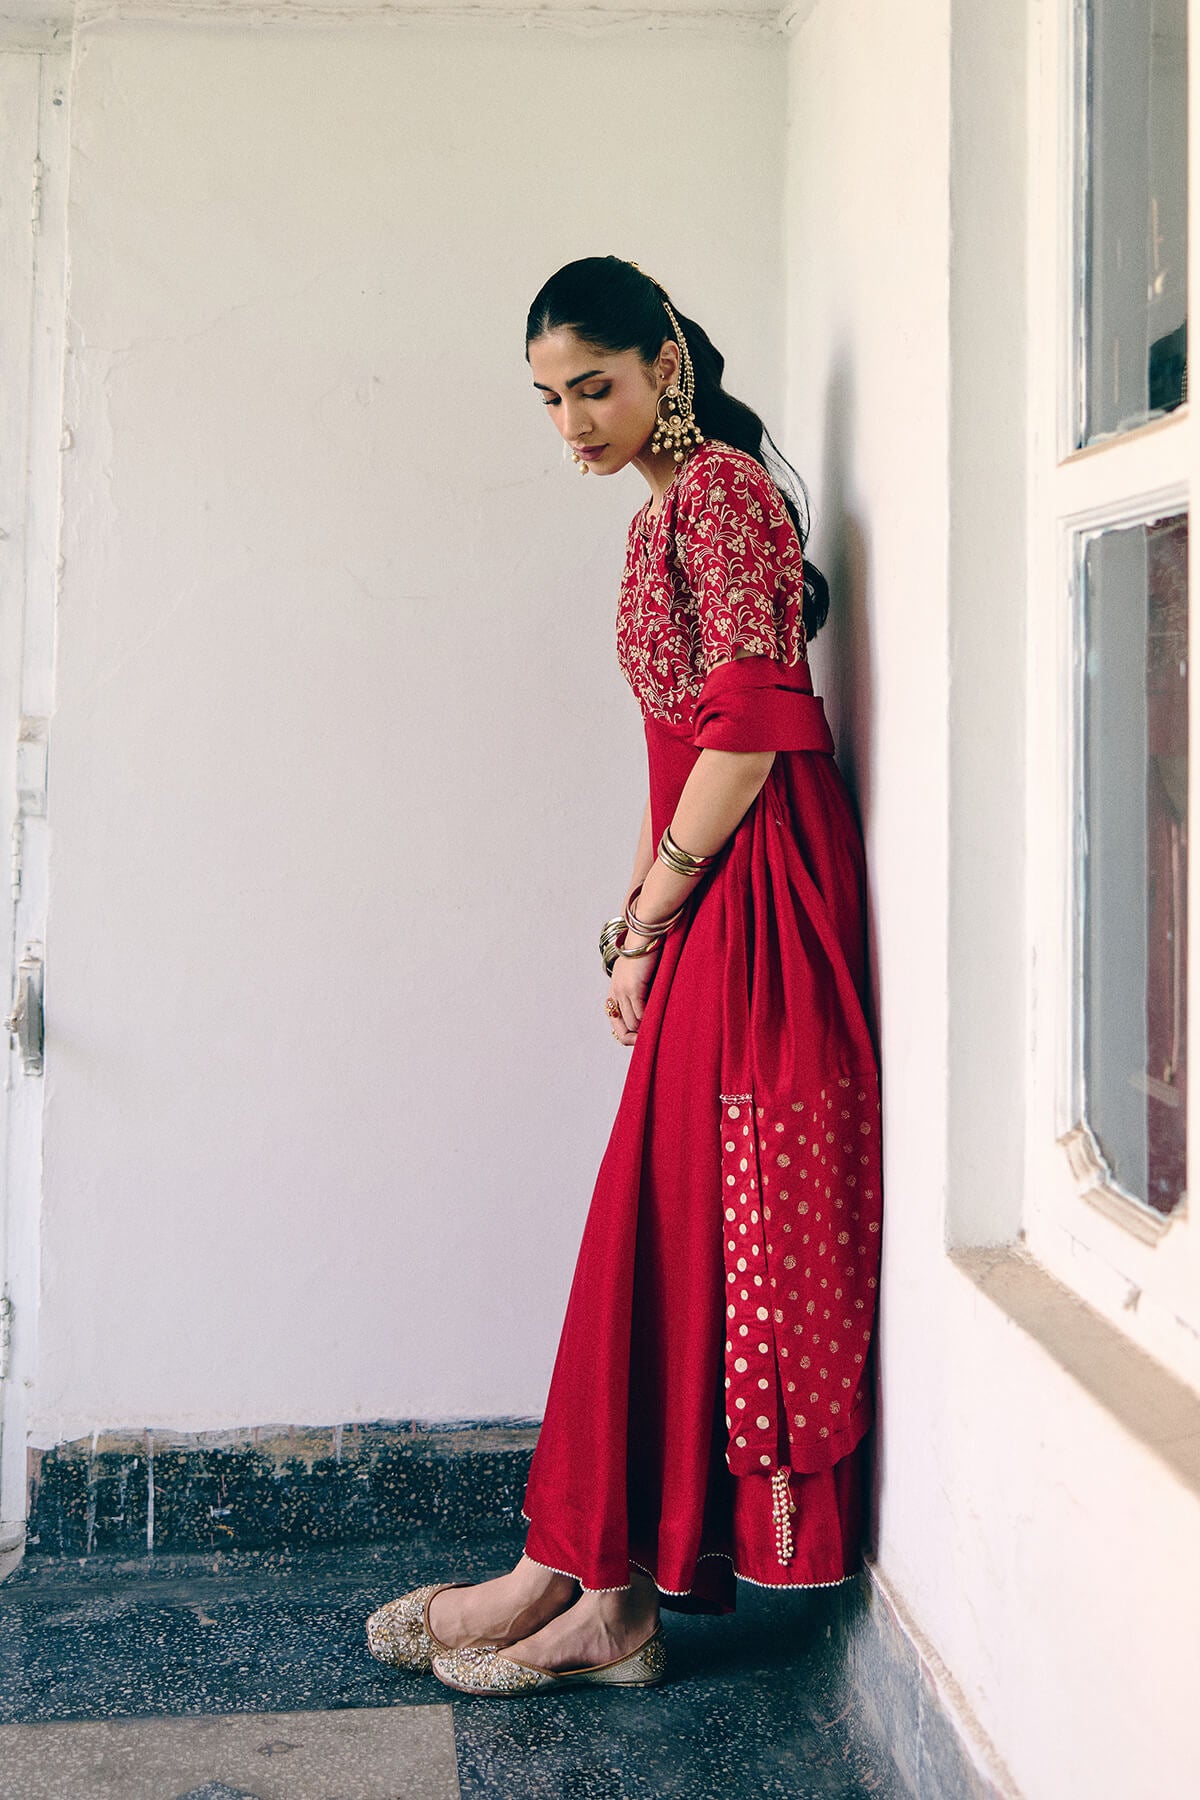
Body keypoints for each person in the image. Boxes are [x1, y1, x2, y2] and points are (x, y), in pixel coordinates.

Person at [365, 256, 882, 1697]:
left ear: (666, 362)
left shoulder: (721, 495)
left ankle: (607, 1593)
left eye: (592, 386)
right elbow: (689, 746)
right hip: (712, 882)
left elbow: (751, 734)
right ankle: (582, 1570)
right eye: (548, 399)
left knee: (677, 1223)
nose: (572, 422)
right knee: (654, 1226)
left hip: (760, 890)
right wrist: (642, 913)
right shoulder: (667, 511)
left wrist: (645, 922)